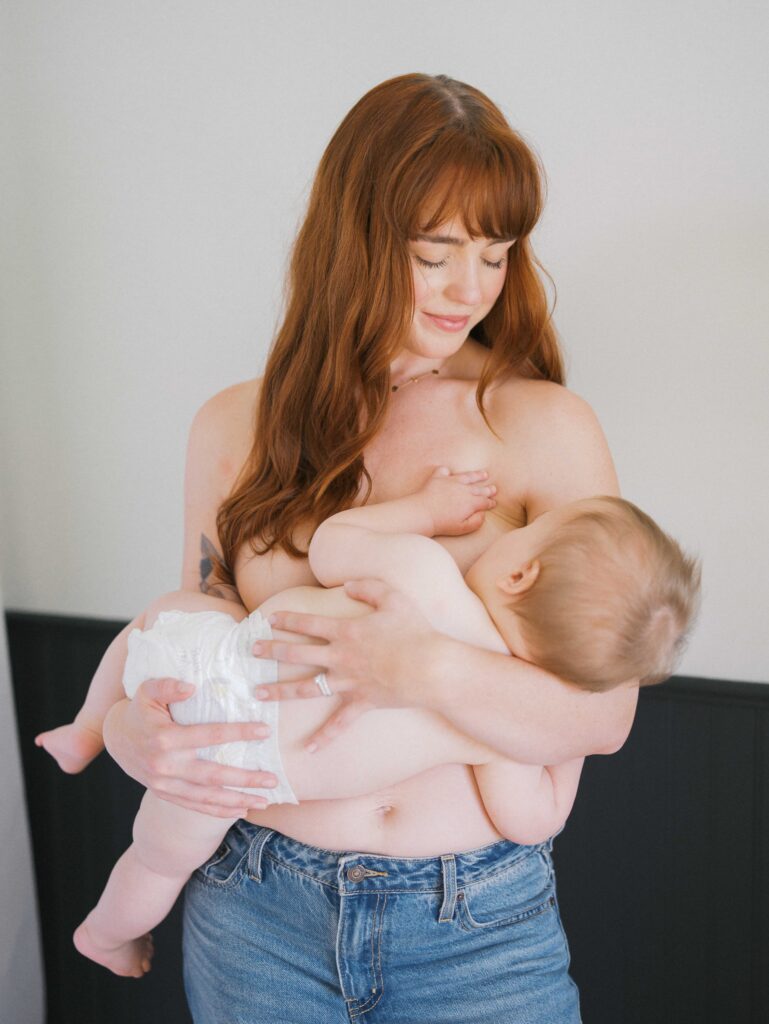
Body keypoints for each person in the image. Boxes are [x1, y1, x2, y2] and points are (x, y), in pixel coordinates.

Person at [92, 73, 652, 1021]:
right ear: (353, 241)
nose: (471, 288)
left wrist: (419, 668)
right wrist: (126, 731)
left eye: (495, 254)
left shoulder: (542, 425)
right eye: (436, 254)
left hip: (473, 923)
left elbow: (602, 717)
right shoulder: (234, 425)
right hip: (253, 906)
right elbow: (194, 636)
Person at [37, 469, 699, 979]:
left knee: (166, 613)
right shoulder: (495, 726)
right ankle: (106, 935)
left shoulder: (426, 574)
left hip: (212, 661)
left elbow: (333, 545)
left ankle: (87, 727)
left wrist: (427, 510)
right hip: (240, 767)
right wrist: (565, 728)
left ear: (521, 571)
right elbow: (534, 819)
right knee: (158, 862)